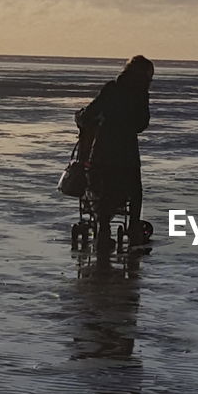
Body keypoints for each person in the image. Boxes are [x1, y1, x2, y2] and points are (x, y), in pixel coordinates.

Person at [76, 55, 153, 252]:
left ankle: (103, 229)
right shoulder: (140, 94)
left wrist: (84, 117)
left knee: (103, 192)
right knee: (134, 191)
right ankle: (133, 226)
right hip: (127, 154)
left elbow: (89, 114)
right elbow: (141, 124)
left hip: (103, 151)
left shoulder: (112, 89)